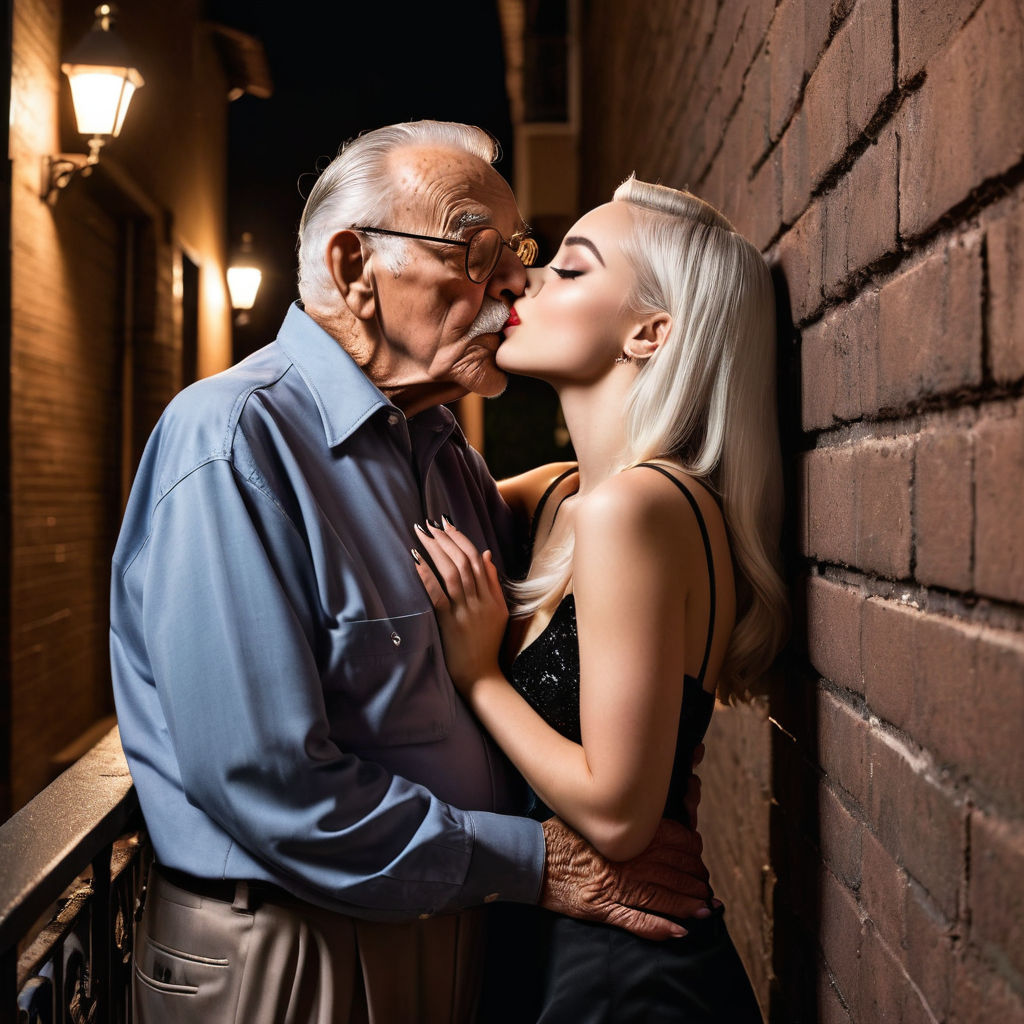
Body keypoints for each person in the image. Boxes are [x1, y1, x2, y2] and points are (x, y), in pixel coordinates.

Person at [110, 122, 714, 1024]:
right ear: (356, 267)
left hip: (463, 932)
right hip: (292, 953)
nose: (514, 281)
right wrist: (537, 861)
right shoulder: (232, 443)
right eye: (478, 249)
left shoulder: (446, 452)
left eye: (519, 253)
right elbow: (271, 785)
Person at [411, 176, 789, 1022]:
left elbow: (618, 816)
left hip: (624, 976)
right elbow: (387, 508)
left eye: (570, 272)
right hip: (547, 950)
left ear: (650, 333)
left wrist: (480, 679)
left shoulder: (637, 508)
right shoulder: (557, 495)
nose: (523, 283)